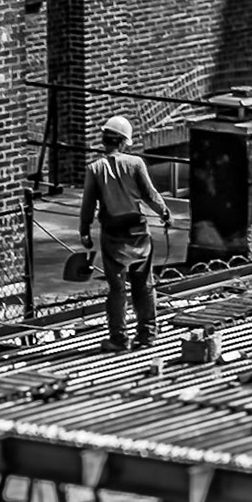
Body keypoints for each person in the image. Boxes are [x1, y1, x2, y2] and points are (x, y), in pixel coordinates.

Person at [79, 115, 171, 352]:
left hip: (112, 233)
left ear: (104, 140)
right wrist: (164, 213)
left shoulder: (94, 169)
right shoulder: (136, 164)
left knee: (117, 288)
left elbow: (88, 204)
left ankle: (119, 339)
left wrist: (84, 231)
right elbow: (149, 194)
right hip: (138, 231)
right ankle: (147, 335)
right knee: (144, 285)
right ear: (123, 142)